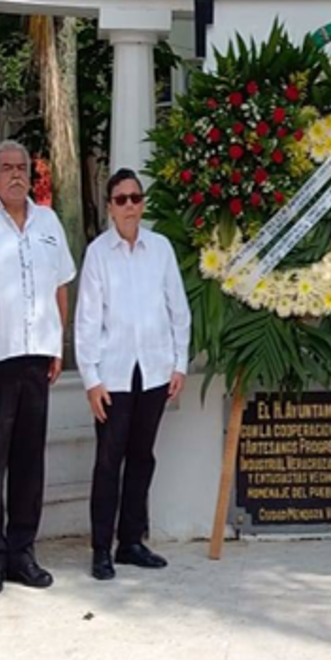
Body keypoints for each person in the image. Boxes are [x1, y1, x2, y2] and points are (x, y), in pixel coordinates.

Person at [0, 140, 76, 596]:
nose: (15, 174)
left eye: (22, 167)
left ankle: (23, 551)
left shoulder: (48, 221)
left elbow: (61, 285)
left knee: (29, 461)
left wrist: (58, 343)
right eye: (6, 168)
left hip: (37, 359)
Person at [75, 168, 191, 579]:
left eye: (135, 198)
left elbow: (178, 309)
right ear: (109, 207)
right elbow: (87, 320)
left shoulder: (160, 249)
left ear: (143, 203)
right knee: (109, 461)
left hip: (155, 370)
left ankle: (131, 542)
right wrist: (91, 378)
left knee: (142, 458)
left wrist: (180, 363)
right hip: (114, 374)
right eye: (121, 199)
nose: (129, 206)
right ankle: (101, 548)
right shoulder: (97, 254)